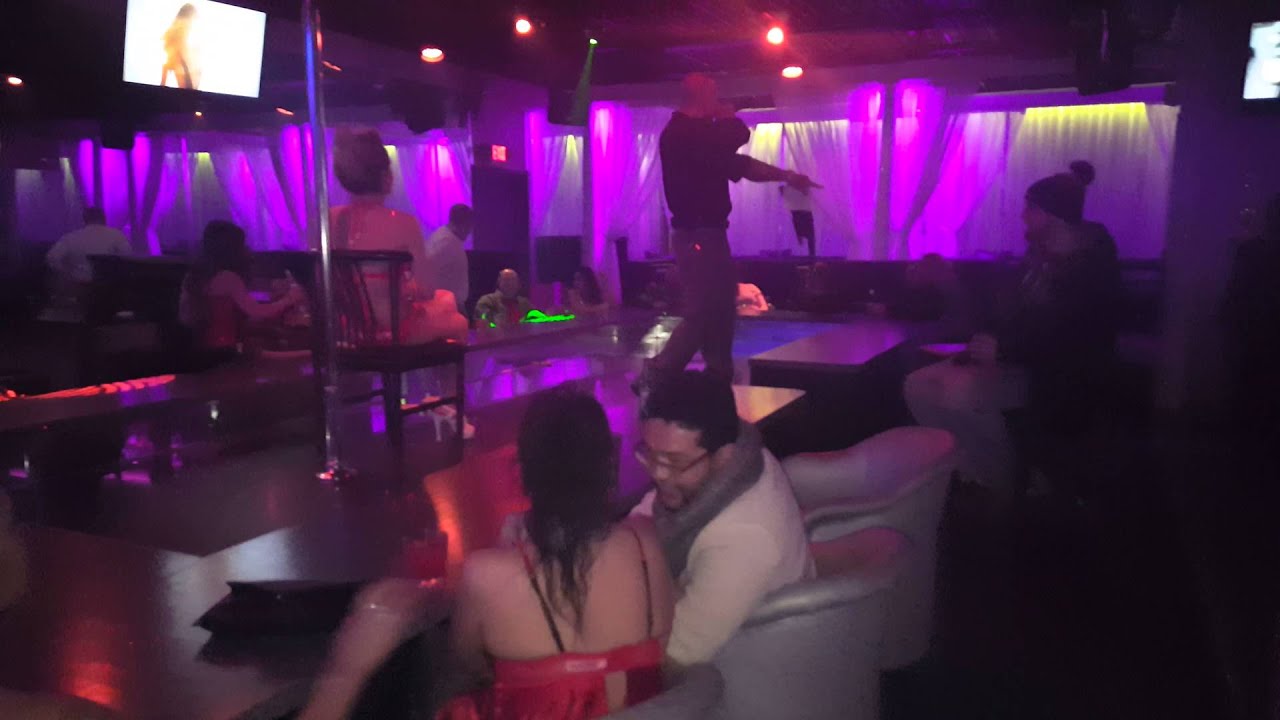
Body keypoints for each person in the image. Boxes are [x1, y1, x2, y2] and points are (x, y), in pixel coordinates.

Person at [433, 389, 675, 718]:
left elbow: (467, 668)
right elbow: (662, 646)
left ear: (523, 471)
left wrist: (507, 552)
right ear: (609, 465)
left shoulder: (484, 574)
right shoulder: (645, 542)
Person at [903, 173, 1119, 505]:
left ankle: (1007, 477)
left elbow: (1075, 338)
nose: (1023, 216)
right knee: (917, 385)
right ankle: (974, 470)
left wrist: (1005, 348)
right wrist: (985, 337)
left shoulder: (1090, 266)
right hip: (1020, 360)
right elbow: (1014, 314)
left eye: (1029, 209)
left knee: (958, 393)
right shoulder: (1039, 256)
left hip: (1057, 375)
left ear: (1049, 214)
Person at [638, 73, 819, 391]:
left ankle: (717, 375)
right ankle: (658, 374)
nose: (720, 100)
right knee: (705, 308)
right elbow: (737, 136)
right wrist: (728, 116)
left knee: (721, 306)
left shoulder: (697, 138)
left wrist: (787, 176)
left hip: (706, 233)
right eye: (714, 94)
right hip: (697, 234)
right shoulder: (682, 132)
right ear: (702, 95)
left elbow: (740, 165)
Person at [631, 371, 813, 666]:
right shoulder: (743, 460)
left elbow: (675, 655)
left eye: (675, 462)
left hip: (741, 671)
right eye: (650, 454)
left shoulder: (744, 538)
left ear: (724, 454)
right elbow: (642, 519)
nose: (659, 473)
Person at [331, 127, 468, 344]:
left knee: (447, 298)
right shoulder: (404, 223)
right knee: (458, 321)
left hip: (345, 328)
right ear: (386, 177)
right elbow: (427, 289)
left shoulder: (327, 220)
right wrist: (406, 287)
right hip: (392, 330)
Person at [179, 220, 304, 366]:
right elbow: (258, 312)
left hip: (202, 349)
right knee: (302, 357)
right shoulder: (227, 277)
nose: (246, 249)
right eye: (242, 244)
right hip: (224, 353)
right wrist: (290, 299)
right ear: (232, 249)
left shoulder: (195, 276)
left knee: (279, 346)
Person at [1221, 193, 1280, 435]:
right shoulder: (1250, 251)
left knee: (1250, 389)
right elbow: (1236, 291)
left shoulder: (1250, 251)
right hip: (1256, 332)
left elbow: (1236, 291)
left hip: (1253, 331)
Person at [46, 207, 132, 296]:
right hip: (108, 287)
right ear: (104, 219)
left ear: (84, 220)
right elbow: (127, 256)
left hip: (79, 287)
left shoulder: (71, 237)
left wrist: (66, 274)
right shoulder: (116, 235)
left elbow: (52, 258)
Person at [424, 204, 474, 313]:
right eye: (469, 227)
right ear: (463, 225)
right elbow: (426, 272)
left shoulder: (448, 239)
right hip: (446, 307)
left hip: (449, 304)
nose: (469, 232)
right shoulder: (445, 242)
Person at [161, 3, 200, 90]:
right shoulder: (178, 47)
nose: (191, 25)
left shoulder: (192, 49)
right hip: (185, 95)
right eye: (192, 20)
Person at [779, 184, 816, 259]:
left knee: (810, 237)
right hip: (800, 214)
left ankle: (811, 256)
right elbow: (782, 189)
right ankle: (811, 256)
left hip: (804, 214)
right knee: (808, 236)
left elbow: (806, 192)